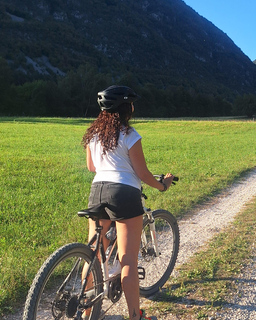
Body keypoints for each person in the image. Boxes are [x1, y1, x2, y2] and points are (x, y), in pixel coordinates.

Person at [81, 85, 174, 320]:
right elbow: (142, 173)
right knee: (128, 260)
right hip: (124, 194)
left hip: (97, 191)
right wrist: (162, 185)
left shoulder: (93, 135)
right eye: (131, 104)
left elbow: (92, 167)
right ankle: (136, 317)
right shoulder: (130, 135)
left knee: (94, 252)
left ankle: (86, 311)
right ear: (126, 108)